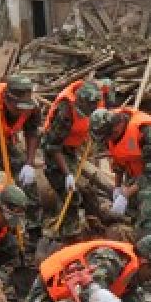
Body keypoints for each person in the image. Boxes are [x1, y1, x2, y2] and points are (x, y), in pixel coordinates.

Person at [89, 107, 151, 239]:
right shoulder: (111, 134)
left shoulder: (144, 130)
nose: (107, 141)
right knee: (130, 207)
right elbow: (118, 162)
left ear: (117, 128)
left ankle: (148, 239)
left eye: (108, 137)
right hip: (135, 175)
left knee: (146, 196)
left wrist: (127, 193)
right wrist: (117, 188)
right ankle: (134, 228)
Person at [42, 79, 107, 235]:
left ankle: (95, 224)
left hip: (72, 146)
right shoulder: (65, 111)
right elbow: (53, 146)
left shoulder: (98, 99)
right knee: (70, 192)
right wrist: (68, 174)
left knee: (87, 191)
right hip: (54, 148)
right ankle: (68, 232)